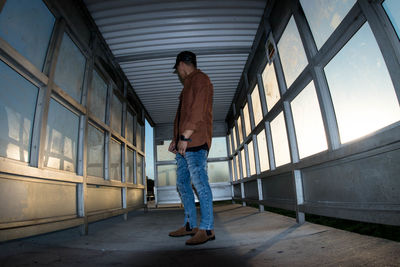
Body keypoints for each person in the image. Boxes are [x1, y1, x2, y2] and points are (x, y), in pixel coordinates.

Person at [167, 51, 214, 245]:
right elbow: (183, 116)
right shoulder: (187, 86)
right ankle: (189, 225)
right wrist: (175, 138)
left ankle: (207, 228)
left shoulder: (200, 79)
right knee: (183, 185)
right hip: (183, 143)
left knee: (200, 183)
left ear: (182, 64)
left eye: (177, 68)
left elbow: (198, 111)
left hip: (194, 141)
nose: (178, 72)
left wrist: (185, 136)